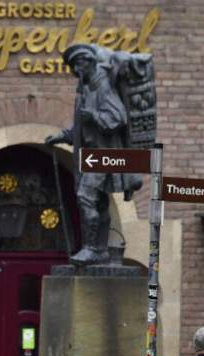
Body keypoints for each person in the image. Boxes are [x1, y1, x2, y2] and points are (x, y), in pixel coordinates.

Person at [45, 43, 145, 264]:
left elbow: (118, 118)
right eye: (74, 68)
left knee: (85, 196)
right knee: (99, 202)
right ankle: (100, 250)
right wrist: (63, 136)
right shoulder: (86, 90)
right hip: (90, 156)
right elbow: (82, 130)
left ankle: (93, 248)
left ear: (87, 64)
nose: (76, 73)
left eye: (78, 67)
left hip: (103, 156)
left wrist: (94, 117)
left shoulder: (102, 87)